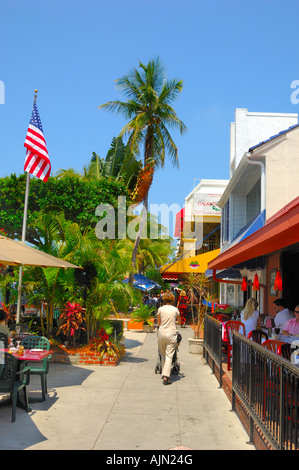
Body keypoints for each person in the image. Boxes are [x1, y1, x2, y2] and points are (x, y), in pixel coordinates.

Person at [157, 291, 181, 385]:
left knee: (162, 354)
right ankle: (166, 377)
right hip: (171, 333)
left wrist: (162, 325)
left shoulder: (160, 309)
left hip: (162, 333)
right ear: (172, 299)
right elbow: (179, 320)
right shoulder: (175, 310)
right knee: (169, 355)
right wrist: (175, 323)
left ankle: (164, 373)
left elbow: (158, 322)